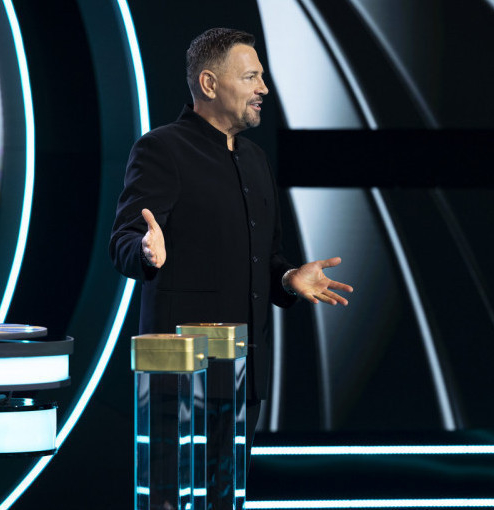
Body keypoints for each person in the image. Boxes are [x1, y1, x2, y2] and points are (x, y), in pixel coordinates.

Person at [109, 27, 352, 507]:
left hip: (243, 374)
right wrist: (145, 250)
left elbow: (268, 257)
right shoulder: (162, 149)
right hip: (181, 377)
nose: (264, 88)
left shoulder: (256, 160)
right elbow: (123, 241)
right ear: (209, 83)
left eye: (261, 77)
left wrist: (288, 277)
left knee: (226, 499)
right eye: (251, 77)